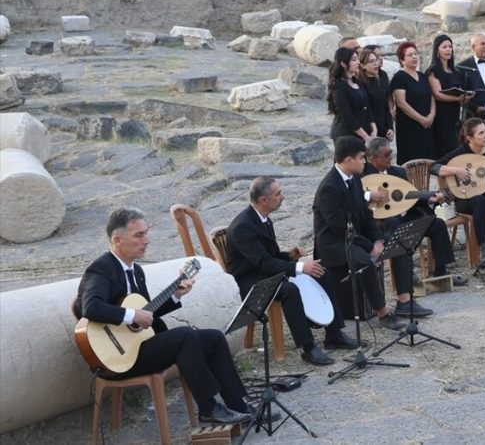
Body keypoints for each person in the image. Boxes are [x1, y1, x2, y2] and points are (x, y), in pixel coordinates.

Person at [75, 208, 254, 425]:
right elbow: (90, 308)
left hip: (138, 346)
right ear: (117, 239)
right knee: (185, 336)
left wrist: (175, 295)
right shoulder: (101, 269)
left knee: (214, 338)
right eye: (139, 235)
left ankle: (239, 406)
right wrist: (132, 315)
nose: (147, 240)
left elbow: (147, 314)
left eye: (146, 233)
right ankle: (208, 408)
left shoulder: (136, 271)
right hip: (117, 358)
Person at [224, 177, 359, 366]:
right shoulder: (243, 227)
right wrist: (300, 267)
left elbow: (269, 256)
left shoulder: (263, 218)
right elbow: (262, 262)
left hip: (264, 271)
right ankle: (308, 347)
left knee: (322, 272)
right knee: (289, 290)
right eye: (278, 193)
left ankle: (334, 333)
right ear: (263, 200)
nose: (283, 196)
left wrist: (289, 256)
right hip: (250, 281)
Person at [312, 137, 407, 332]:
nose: (365, 162)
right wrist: (371, 247)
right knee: (364, 261)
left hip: (352, 237)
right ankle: (382, 313)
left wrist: (379, 240)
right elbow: (339, 228)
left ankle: (406, 298)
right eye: (362, 158)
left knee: (396, 243)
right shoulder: (329, 188)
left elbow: (365, 215)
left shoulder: (355, 179)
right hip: (334, 243)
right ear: (348, 160)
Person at [362, 137, 467, 287]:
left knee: (437, 224)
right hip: (382, 222)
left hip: (404, 217)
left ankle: (441, 273)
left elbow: (411, 196)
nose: (390, 157)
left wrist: (430, 199)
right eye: (386, 155)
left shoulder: (398, 172)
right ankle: (406, 273)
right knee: (394, 222)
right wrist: (370, 195)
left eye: (391, 152)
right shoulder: (363, 176)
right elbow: (356, 199)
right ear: (372, 158)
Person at [432, 118, 485, 264]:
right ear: (469, 138)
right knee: (480, 201)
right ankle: (484, 251)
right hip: (464, 199)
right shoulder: (461, 152)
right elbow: (433, 167)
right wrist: (456, 170)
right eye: (480, 133)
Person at [390, 41, 435, 162]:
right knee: (412, 162)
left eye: (416, 54)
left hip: (427, 124)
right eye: (410, 55)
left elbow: (431, 97)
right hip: (409, 125)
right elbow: (401, 103)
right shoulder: (399, 77)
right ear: (402, 60)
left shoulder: (422, 76)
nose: (414, 57)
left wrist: (431, 116)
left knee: (427, 161)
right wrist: (421, 119)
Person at [427, 34, 468, 159]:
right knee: (445, 148)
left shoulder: (455, 71)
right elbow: (437, 94)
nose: (448, 49)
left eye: (450, 46)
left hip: (455, 114)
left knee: (457, 148)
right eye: (444, 47)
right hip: (442, 115)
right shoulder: (433, 70)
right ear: (437, 51)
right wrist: (458, 99)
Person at [327, 46, 375, 147]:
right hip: (346, 135)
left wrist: (374, 129)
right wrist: (366, 136)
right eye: (354, 60)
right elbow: (347, 115)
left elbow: (367, 107)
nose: (358, 62)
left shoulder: (357, 81)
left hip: (363, 132)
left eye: (357, 59)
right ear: (344, 64)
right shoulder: (338, 85)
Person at [357, 46, 394, 142]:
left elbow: (385, 104)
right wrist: (384, 130)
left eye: (376, 60)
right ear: (362, 65)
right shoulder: (360, 83)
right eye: (371, 61)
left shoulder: (382, 76)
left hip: (384, 125)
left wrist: (390, 127)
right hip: (370, 129)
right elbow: (368, 110)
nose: (376, 63)